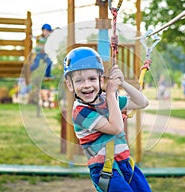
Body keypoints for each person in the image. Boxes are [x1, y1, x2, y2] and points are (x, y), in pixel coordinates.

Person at [64, 47, 152, 192]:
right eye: (79, 80)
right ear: (70, 84)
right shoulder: (80, 112)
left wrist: (123, 83)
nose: (86, 85)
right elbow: (116, 128)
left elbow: (142, 102)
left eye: (92, 78)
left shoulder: (107, 99)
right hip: (105, 170)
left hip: (125, 163)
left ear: (100, 79)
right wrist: (111, 94)